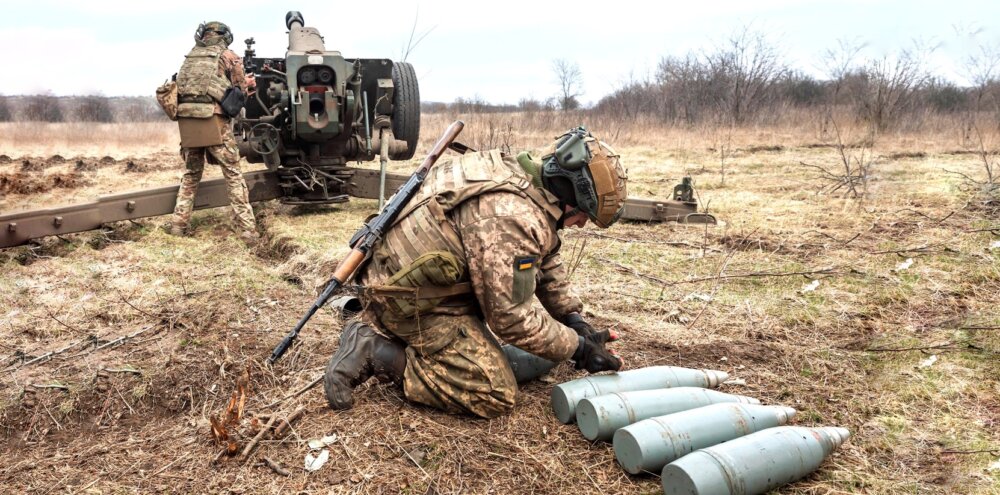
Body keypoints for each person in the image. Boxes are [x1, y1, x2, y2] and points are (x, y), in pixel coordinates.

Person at [323, 127, 628, 418]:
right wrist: (578, 348)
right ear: (569, 193)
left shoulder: (515, 174)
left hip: (400, 279)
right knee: (494, 392)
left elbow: (544, 254)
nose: (581, 224)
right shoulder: (512, 216)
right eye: (582, 215)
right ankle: (375, 350)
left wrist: (572, 318)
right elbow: (510, 319)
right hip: (406, 302)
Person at [166, 21, 258, 243]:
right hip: (213, 121)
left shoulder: (190, 57)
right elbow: (240, 91)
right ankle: (247, 231)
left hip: (188, 122)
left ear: (203, 35)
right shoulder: (228, 56)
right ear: (225, 36)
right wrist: (248, 83)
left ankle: (178, 225)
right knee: (233, 174)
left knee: (191, 174)